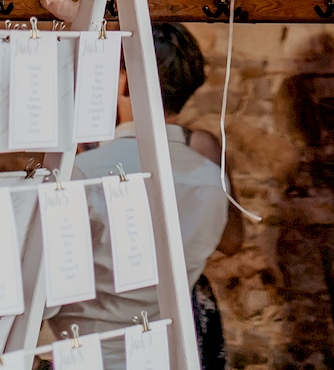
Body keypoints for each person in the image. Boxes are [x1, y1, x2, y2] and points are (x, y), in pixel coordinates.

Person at [55, 23, 234, 370]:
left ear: (123, 81)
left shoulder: (83, 172)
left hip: (87, 354)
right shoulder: (213, 180)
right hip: (164, 353)